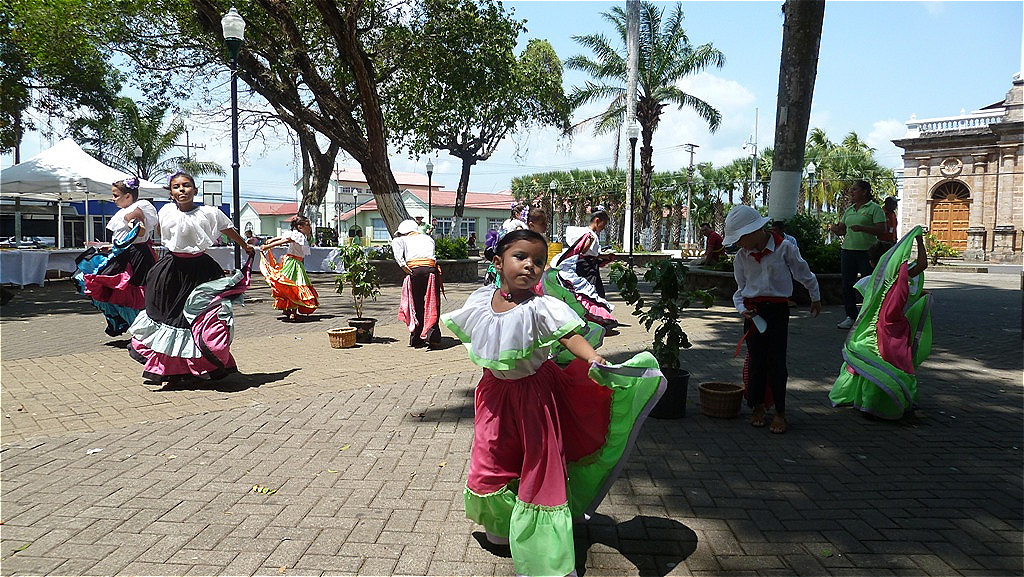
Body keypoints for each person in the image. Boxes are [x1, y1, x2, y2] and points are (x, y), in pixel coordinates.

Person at [440, 229, 666, 577]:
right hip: (493, 397)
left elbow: (571, 335)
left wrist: (593, 357)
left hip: (535, 396)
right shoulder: (480, 302)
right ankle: (500, 527)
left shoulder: (543, 307)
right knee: (491, 457)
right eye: (521, 257)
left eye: (539, 261)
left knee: (540, 467)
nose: (530, 266)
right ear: (498, 262)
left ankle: (546, 555)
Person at [127, 171, 255, 386]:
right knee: (171, 319)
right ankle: (173, 370)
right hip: (171, 271)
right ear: (171, 193)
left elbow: (227, 229)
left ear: (195, 190)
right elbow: (151, 232)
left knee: (201, 319)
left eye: (186, 185)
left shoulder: (209, 212)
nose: (181, 190)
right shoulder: (165, 211)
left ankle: (202, 366)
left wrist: (245, 246)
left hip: (201, 271)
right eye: (176, 187)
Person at [724, 205, 821, 434]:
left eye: (740, 238)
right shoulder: (741, 257)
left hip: (778, 312)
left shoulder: (784, 248)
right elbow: (741, 289)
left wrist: (815, 296)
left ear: (755, 231)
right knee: (757, 361)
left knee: (777, 362)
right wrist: (742, 310)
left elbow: (803, 273)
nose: (738, 244)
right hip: (753, 313)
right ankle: (758, 406)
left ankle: (780, 411)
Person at [830, 227, 932, 419]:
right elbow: (922, 264)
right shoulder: (899, 277)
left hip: (874, 329)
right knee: (897, 363)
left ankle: (869, 401)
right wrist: (918, 240)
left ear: (871, 262)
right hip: (897, 328)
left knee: (872, 362)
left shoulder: (870, 282)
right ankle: (892, 400)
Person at [74, 177, 159, 336]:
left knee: (131, 292)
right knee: (118, 290)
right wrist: (113, 246)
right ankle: (136, 328)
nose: (112, 199)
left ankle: (143, 332)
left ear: (128, 196)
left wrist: (134, 225)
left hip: (136, 257)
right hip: (126, 253)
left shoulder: (137, 207)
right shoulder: (128, 209)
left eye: (115, 195)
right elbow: (128, 236)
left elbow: (137, 228)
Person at [830, 180, 886, 330]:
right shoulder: (849, 210)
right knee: (847, 285)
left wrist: (862, 228)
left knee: (869, 284)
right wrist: (835, 229)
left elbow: (881, 229)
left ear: (864, 191)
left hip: (867, 252)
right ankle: (851, 316)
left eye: (854, 189)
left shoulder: (874, 208)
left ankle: (871, 316)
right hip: (848, 251)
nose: (851, 192)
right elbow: (843, 229)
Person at [553, 207, 617, 327]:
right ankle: (593, 318)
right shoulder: (588, 234)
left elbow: (592, 254)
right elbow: (582, 251)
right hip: (586, 268)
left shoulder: (590, 234)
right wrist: (588, 242)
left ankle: (595, 317)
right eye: (603, 224)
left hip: (590, 266)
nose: (603, 228)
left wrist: (605, 257)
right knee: (590, 293)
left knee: (594, 292)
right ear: (597, 221)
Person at [392, 219, 442, 348]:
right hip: (431, 270)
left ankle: (417, 337)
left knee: (416, 304)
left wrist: (407, 270)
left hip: (415, 271)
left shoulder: (401, 240)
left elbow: (399, 259)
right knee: (433, 303)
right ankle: (434, 337)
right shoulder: (428, 238)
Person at [259, 216, 319, 321]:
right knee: (294, 286)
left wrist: (271, 240)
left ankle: (288, 309)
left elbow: (282, 238)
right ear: (300, 227)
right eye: (307, 225)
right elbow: (283, 240)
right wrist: (268, 246)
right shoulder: (298, 235)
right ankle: (293, 313)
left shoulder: (297, 234)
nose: (309, 227)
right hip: (294, 264)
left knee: (289, 286)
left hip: (292, 261)